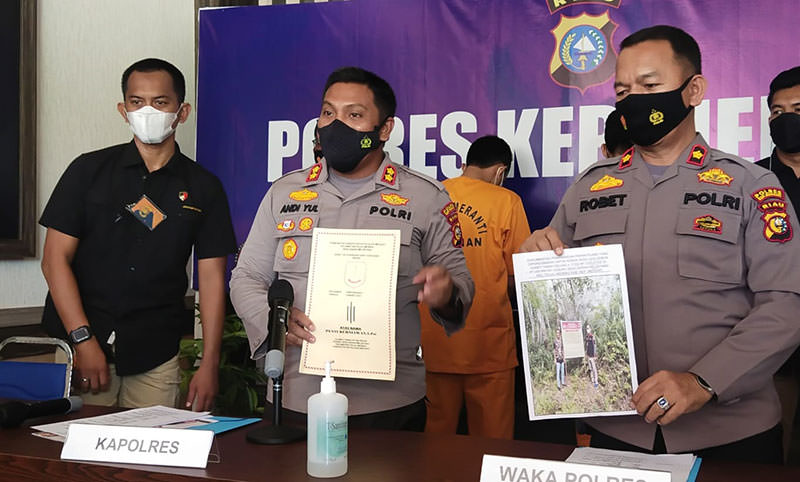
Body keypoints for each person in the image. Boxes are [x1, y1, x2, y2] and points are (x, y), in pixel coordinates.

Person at [520, 25, 800, 463]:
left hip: (730, 433)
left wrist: (704, 381)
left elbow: (785, 304)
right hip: (617, 430)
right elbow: (559, 298)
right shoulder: (588, 188)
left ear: (694, 90)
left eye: (650, 86)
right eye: (623, 90)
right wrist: (537, 265)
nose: (635, 99)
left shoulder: (750, 185)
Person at [230, 67, 474, 431]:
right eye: (328, 113)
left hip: (390, 405)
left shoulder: (426, 197)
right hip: (297, 399)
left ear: (384, 129)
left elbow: (461, 287)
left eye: (354, 115)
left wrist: (445, 293)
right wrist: (273, 319)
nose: (336, 125)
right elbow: (246, 277)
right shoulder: (284, 193)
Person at [39, 58, 236, 410]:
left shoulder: (204, 187)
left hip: (156, 351)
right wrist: (83, 340)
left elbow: (211, 279)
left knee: (154, 442)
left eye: (160, 102)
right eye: (137, 101)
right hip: (83, 344)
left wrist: (208, 364)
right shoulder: (88, 171)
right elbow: (54, 260)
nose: (148, 111)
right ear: (123, 110)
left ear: (182, 112)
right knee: (78, 443)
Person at [419, 135, 530, 439]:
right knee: (493, 445)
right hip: (489, 347)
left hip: (435, 344)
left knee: (434, 443)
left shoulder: (431, 195)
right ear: (500, 171)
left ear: (464, 165)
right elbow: (518, 274)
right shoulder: (507, 201)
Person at [755, 65, 800, 460]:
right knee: (779, 449)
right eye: (778, 111)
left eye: (798, 110)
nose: (786, 119)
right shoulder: (751, 180)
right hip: (775, 343)